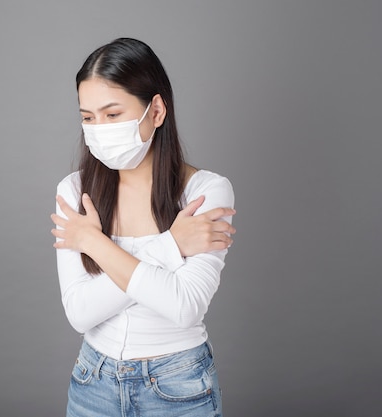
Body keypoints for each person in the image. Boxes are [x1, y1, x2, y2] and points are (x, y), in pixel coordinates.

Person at [51, 38, 236, 417]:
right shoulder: (74, 191)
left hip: (178, 387)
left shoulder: (206, 192)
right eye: (88, 117)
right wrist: (171, 245)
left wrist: (94, 243)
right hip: (92, 385)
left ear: (156, 110)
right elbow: (80, 313)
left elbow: (184, 306)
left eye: (113, 114)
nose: (98, 128)